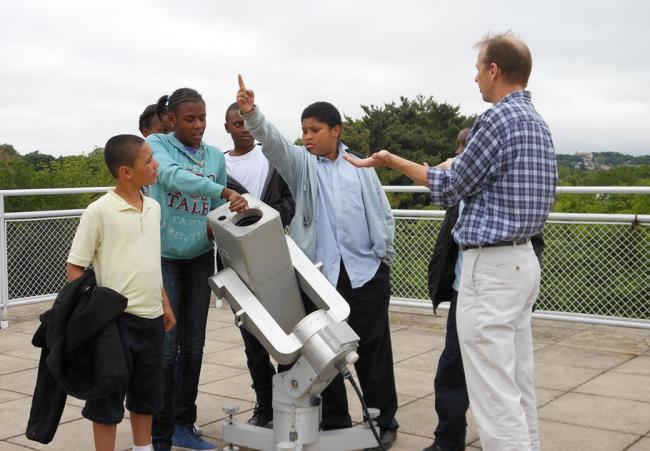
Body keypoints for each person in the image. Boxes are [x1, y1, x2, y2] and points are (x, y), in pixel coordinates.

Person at [345, 33, 557, 451]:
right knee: (517, 383)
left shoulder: (495, 119)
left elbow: (450, 187)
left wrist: (391, 161)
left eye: (479, 68)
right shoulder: (538, 123)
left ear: (494, 70)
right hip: (523, 262)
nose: (476, 77)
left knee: (493, 395)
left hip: (491, 270)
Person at [236, 75, 399, 450]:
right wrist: (252, 114)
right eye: (304, 130)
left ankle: (383, 421)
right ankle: (336, 420)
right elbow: (274, 144)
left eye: (315, 129)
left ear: (335, 131)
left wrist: (383, 253)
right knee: (325, 352)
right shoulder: (301, 165)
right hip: (320, 275)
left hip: (366, 271)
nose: (307, 136)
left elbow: (380, 211)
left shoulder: (361, 165)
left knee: (374, 348)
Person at [423, 128, 546, 451]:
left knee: (497, 387)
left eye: (468, 147)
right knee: (462, 370)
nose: (462, 152)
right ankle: (448, 440)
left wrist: (393, 161)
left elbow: (445, 186)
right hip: (471, 285)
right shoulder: (531, 136)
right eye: (459, 147)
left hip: (491, 285)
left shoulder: (493, 187)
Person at [147, 88, 248, 451]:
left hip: (199, 257)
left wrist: (216, 216)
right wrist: (221, 192)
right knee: (167, 345)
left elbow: (213, 205)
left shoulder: (213, 157)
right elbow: (171, 178)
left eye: (202, 118)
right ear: (172, 120)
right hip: (164, 257)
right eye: (190, 119)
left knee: (194, 345)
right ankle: (159, 432)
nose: (198, 125)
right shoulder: (158, 145)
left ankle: (183, 424)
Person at [66, 134, 177, 451]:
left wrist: (165, 304)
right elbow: (75, 267)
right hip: (114, 323)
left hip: (152, 319)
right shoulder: (98, 212)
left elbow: (150, 260)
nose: (156, 165)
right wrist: (92, 315)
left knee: (147, 397)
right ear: (126, 171)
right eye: (149, 160)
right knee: (106, 401)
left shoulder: (153, 207)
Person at [223, 102, 296, 427]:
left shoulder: (272, 160)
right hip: (238, 268)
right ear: (227, 128)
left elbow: (289, 201)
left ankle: (287, 406)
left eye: (247, 122)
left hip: (274, 260)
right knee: (253, 344)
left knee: (285, 336)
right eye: (237, 124)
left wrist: (266, 221)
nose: (245, 129)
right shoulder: (218, 166)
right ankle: (264, 407)